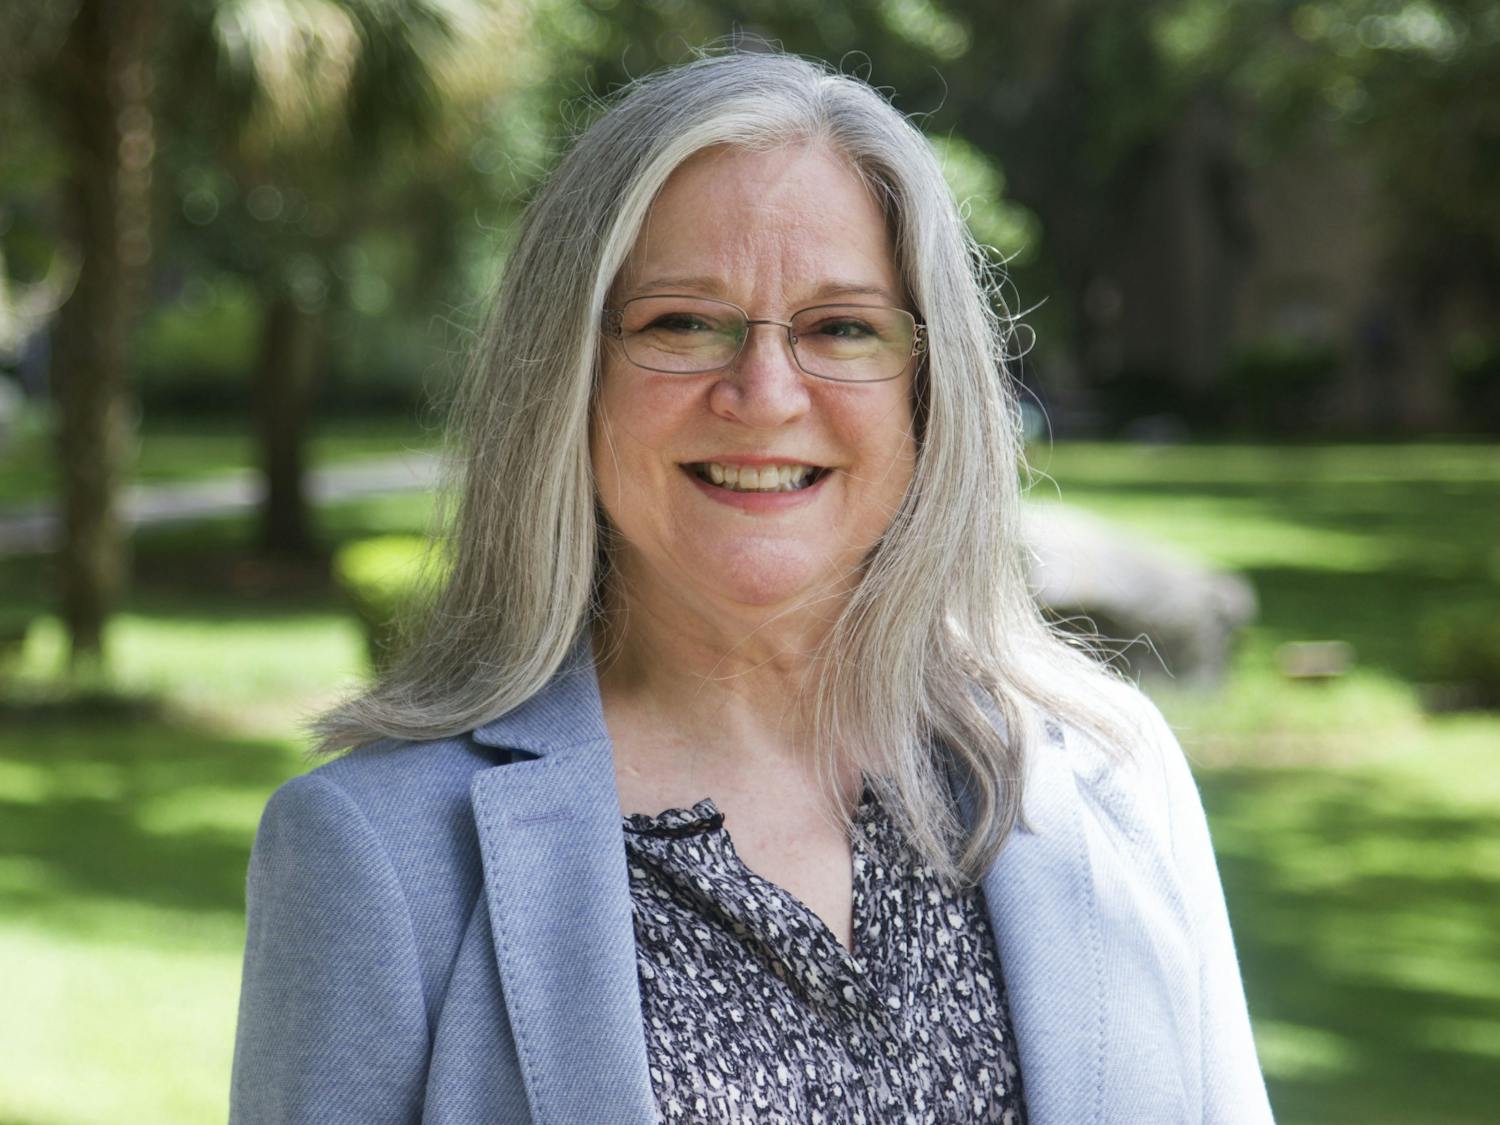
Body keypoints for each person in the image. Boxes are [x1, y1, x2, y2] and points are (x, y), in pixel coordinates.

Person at [229, 51, 1274, 1125]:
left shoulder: (1113, 777)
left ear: (929, 387)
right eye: (683, 323)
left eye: (841, 328)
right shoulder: (381, 857)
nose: (765, 395)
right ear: (568, 379)